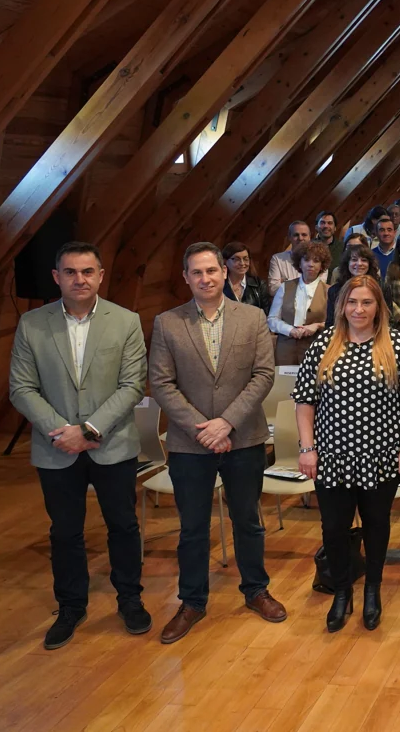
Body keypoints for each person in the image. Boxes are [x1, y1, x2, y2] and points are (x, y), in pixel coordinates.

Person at [9, 242, 150, 650]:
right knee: (65, 532)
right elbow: (21, 387)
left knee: (123, 526)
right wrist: (62, 431)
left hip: (111, 445)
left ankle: (130, 599)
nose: (79, 279)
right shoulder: (32, 325)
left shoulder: (125, 321)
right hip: (56, 448)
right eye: (70, 272)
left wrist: (88, 430)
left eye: (87, 271)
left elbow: (131, 385)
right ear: (57, 277)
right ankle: (71, 606)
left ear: (101, 275)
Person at [149, 242, 285, 644]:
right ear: (186, 278)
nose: (205, 279)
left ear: (225, 273)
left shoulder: (253, 317)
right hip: (190, 444)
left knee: (248, 522)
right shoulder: (167, 323)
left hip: (243, 437)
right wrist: (201, 427)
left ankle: (256, 590)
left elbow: (264, 374)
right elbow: (160, 382)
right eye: (197, 272)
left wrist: (226, 423)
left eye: (212, 271)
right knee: (192, 528)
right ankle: (191, 601)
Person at [293, 275, 400, 632]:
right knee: (333, 528)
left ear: (378, 307)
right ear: (342, 307)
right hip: (332, 455)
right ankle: (341, 591)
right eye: (352, 302)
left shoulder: (396, 344)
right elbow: (304, 402)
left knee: (376, 526)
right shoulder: (324, 344)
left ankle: (373, 589)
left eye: (366, 302)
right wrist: (307, 449)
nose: (359, 309)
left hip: (381, 456)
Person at [268, 241, 331, 366]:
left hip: (316, 349)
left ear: (322, 265)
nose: (311, 265)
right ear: (299, 263)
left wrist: (317, 326)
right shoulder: (285, 287)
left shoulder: (329, 291)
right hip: (286, 349)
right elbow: (272, 319)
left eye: (316, 261)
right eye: (306, 260)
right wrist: (290, 330)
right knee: (284, 384)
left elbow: (334, 324)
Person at [327, 244, 400, 330]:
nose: (359, 263)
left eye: (364, 260)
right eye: (354, 260)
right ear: (347, 263)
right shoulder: (334, 290)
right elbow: (331, 323)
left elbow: (388, 320)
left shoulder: (382, 288)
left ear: (369, 264)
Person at [268, 220, 324, 294]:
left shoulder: (320, 259)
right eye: (296, 235)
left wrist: (286, 282)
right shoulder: (277, 259)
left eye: (304, 235)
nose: (300, 238)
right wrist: (307, 284)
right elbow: (273, 289)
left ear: (310, 237)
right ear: (289, 237)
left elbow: (318, 289)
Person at [222, 242, 270, 312]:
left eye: (245, 259)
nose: (242, 263)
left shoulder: (259, 285)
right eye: (236, 259)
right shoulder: (219, 285)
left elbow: (265, 314)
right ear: (225, 261)